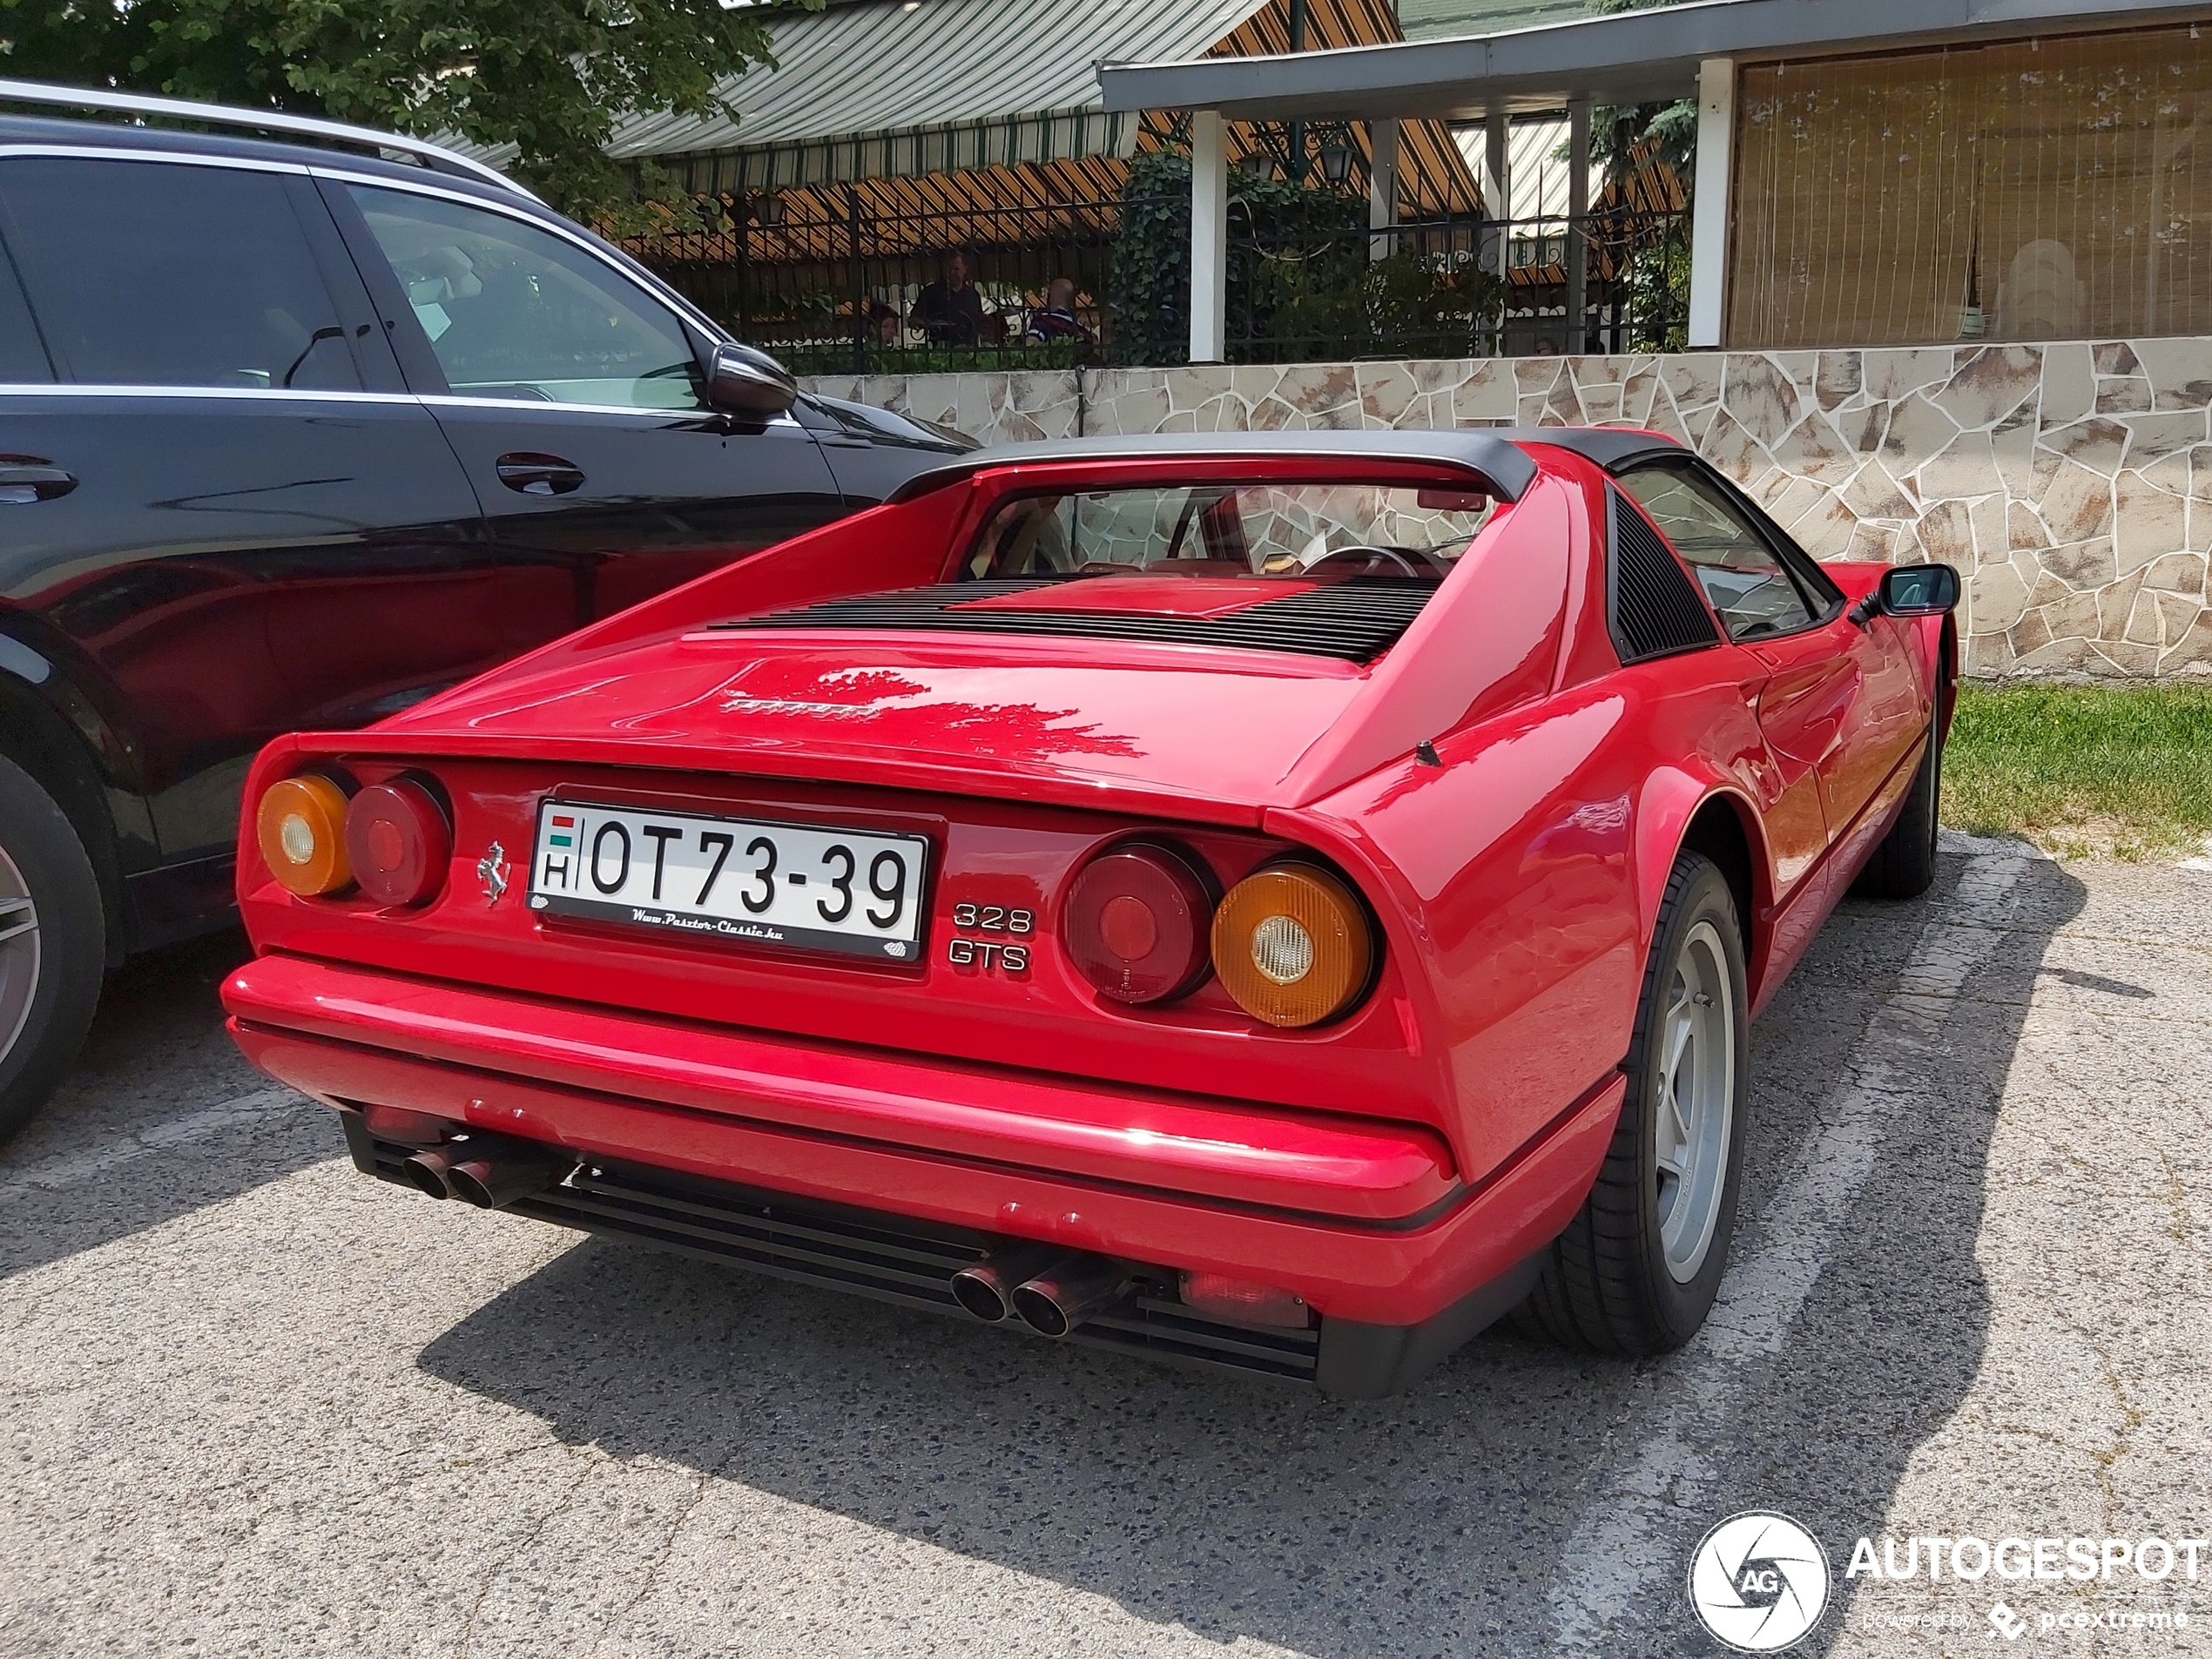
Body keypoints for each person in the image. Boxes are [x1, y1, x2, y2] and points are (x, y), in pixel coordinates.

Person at [912, 250, 985, 347]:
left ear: (965, 270)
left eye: (956, 269)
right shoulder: (930, 293)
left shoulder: (973, 295)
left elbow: (978, 321)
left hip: (967, 350)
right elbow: (914, 318)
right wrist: (919, 323)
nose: (951, 273)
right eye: (948, 269)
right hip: (939, 350)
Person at [1027, 276, 1094, 347]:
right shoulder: (1082, 330)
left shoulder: (1043, 321)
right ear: (1071, 300)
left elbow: (1031, 343)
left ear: (1051, 297)